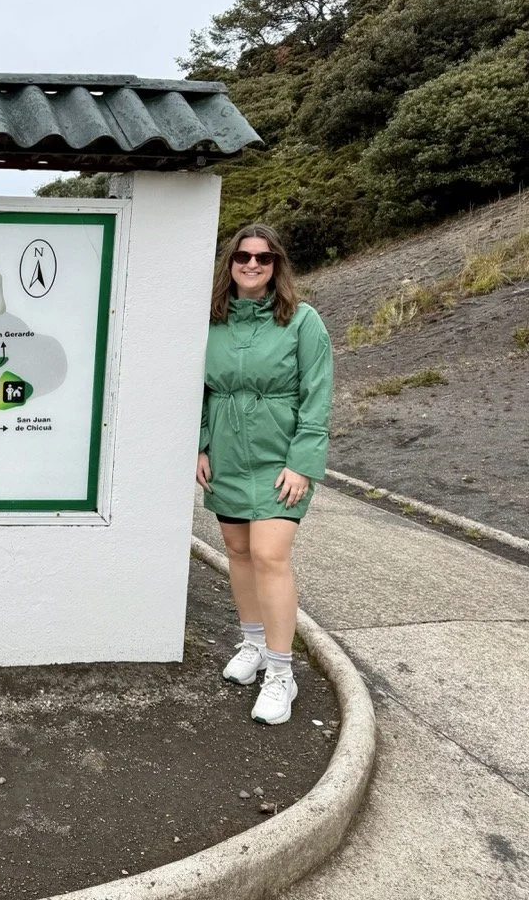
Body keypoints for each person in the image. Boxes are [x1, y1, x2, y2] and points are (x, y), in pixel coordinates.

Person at [196, 223, 333, 726]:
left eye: (264, 257)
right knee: (237, 552)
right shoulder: (211, 321)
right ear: (229, 263)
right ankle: (252, 644)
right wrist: (200, 445)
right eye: (243, 256)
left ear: (278, 265)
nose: (252, 264)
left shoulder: (302, 321)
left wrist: (303, 462)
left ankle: (281, 672)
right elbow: (201, 392)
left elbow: (317, 396)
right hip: (228, 456)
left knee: (269, 555)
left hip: (281, 459)